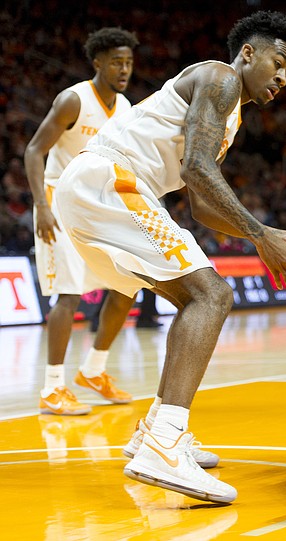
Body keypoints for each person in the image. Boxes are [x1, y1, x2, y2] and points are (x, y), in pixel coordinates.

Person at [53, 11, 286, 504]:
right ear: (248, 53)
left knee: (199, 296)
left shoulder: (231, 115)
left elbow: (203, 203)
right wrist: (260, 233)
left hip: (97, 187)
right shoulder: (221, 77)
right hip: (111, 179)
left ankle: (153, 432)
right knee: (212, 294)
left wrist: (268, 234)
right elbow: (196, 166)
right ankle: (164, 441)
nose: (282, 78)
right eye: (278, 62)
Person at [23, 27, 140, 415]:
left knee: (128, 284)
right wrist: (40, 204)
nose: (124, 69)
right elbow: (34, 151)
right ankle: (52, 389)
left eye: (128, 62)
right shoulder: (74, 100)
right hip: (57, 201)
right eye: (116, 62)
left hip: (96, 205)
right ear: (98, 63)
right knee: (68, 296)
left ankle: (94, 370)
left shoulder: (124, 107)